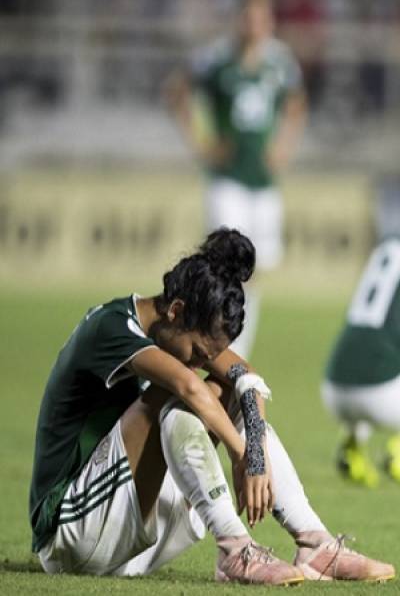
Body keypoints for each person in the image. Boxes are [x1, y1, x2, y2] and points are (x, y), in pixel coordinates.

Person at [30, 227, 394, 584]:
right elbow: (188, 386)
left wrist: (254, 455)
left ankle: (315, 543)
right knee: (170, 397)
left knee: (224, 389)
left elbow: (247, 378)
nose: (200, 361)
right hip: (70, 534)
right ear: (175, 310)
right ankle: (236, 548)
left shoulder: (177, 329)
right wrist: (240, 454)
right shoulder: (110, 326)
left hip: (131, 534)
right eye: (200, 351)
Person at [167, 0, 306, 358]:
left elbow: (296, 106)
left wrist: (284, 147)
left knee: (255, 267)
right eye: (250, 16)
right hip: (227, 178)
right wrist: (201, 143)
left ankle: (237, 342)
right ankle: (200, 332)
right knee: (223, 261)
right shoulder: (215, 59)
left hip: (263, 182)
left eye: (263, 17)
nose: (256, 24)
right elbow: (177, 92)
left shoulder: (280, 61)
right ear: (239, 18)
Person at [322, 236, 400, 488]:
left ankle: (352, 444)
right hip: (384, 398)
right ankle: (397, 452)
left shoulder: (387, 245)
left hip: (333, 391)